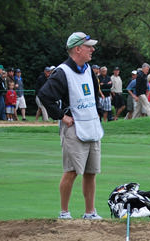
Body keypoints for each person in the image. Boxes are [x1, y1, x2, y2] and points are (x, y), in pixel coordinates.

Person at [37, 31, 104, 220]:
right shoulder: (62, 72)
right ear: (77, 49)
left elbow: (94, 95)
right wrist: (61, 116)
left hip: (91, 126)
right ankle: (64, 212)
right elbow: (45, 96)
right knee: (72, 170)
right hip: (74, 128)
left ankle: (90, 212)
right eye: (88, 46)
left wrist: (97, 113)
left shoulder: (89, 69)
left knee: (91, 172)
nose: (92, 49)